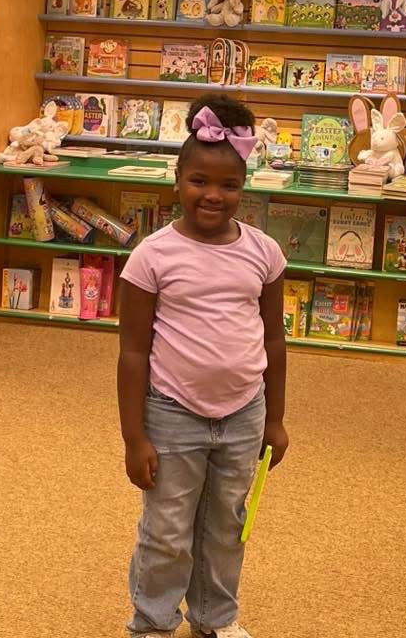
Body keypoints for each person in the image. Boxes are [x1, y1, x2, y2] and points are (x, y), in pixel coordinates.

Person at [117, 93, 288, 638]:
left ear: (244, 188)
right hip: (173, 413)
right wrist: (134, 437)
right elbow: (133, 352)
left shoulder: (264, 252)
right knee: (167, 530)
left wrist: (275, 419)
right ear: (177, 181)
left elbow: (274, 340)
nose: (213, 195)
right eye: (199, 181)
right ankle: (152, 623)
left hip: (243, 414)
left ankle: (216, 619)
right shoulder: (151, 256)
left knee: (226, 526)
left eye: (229, 185)